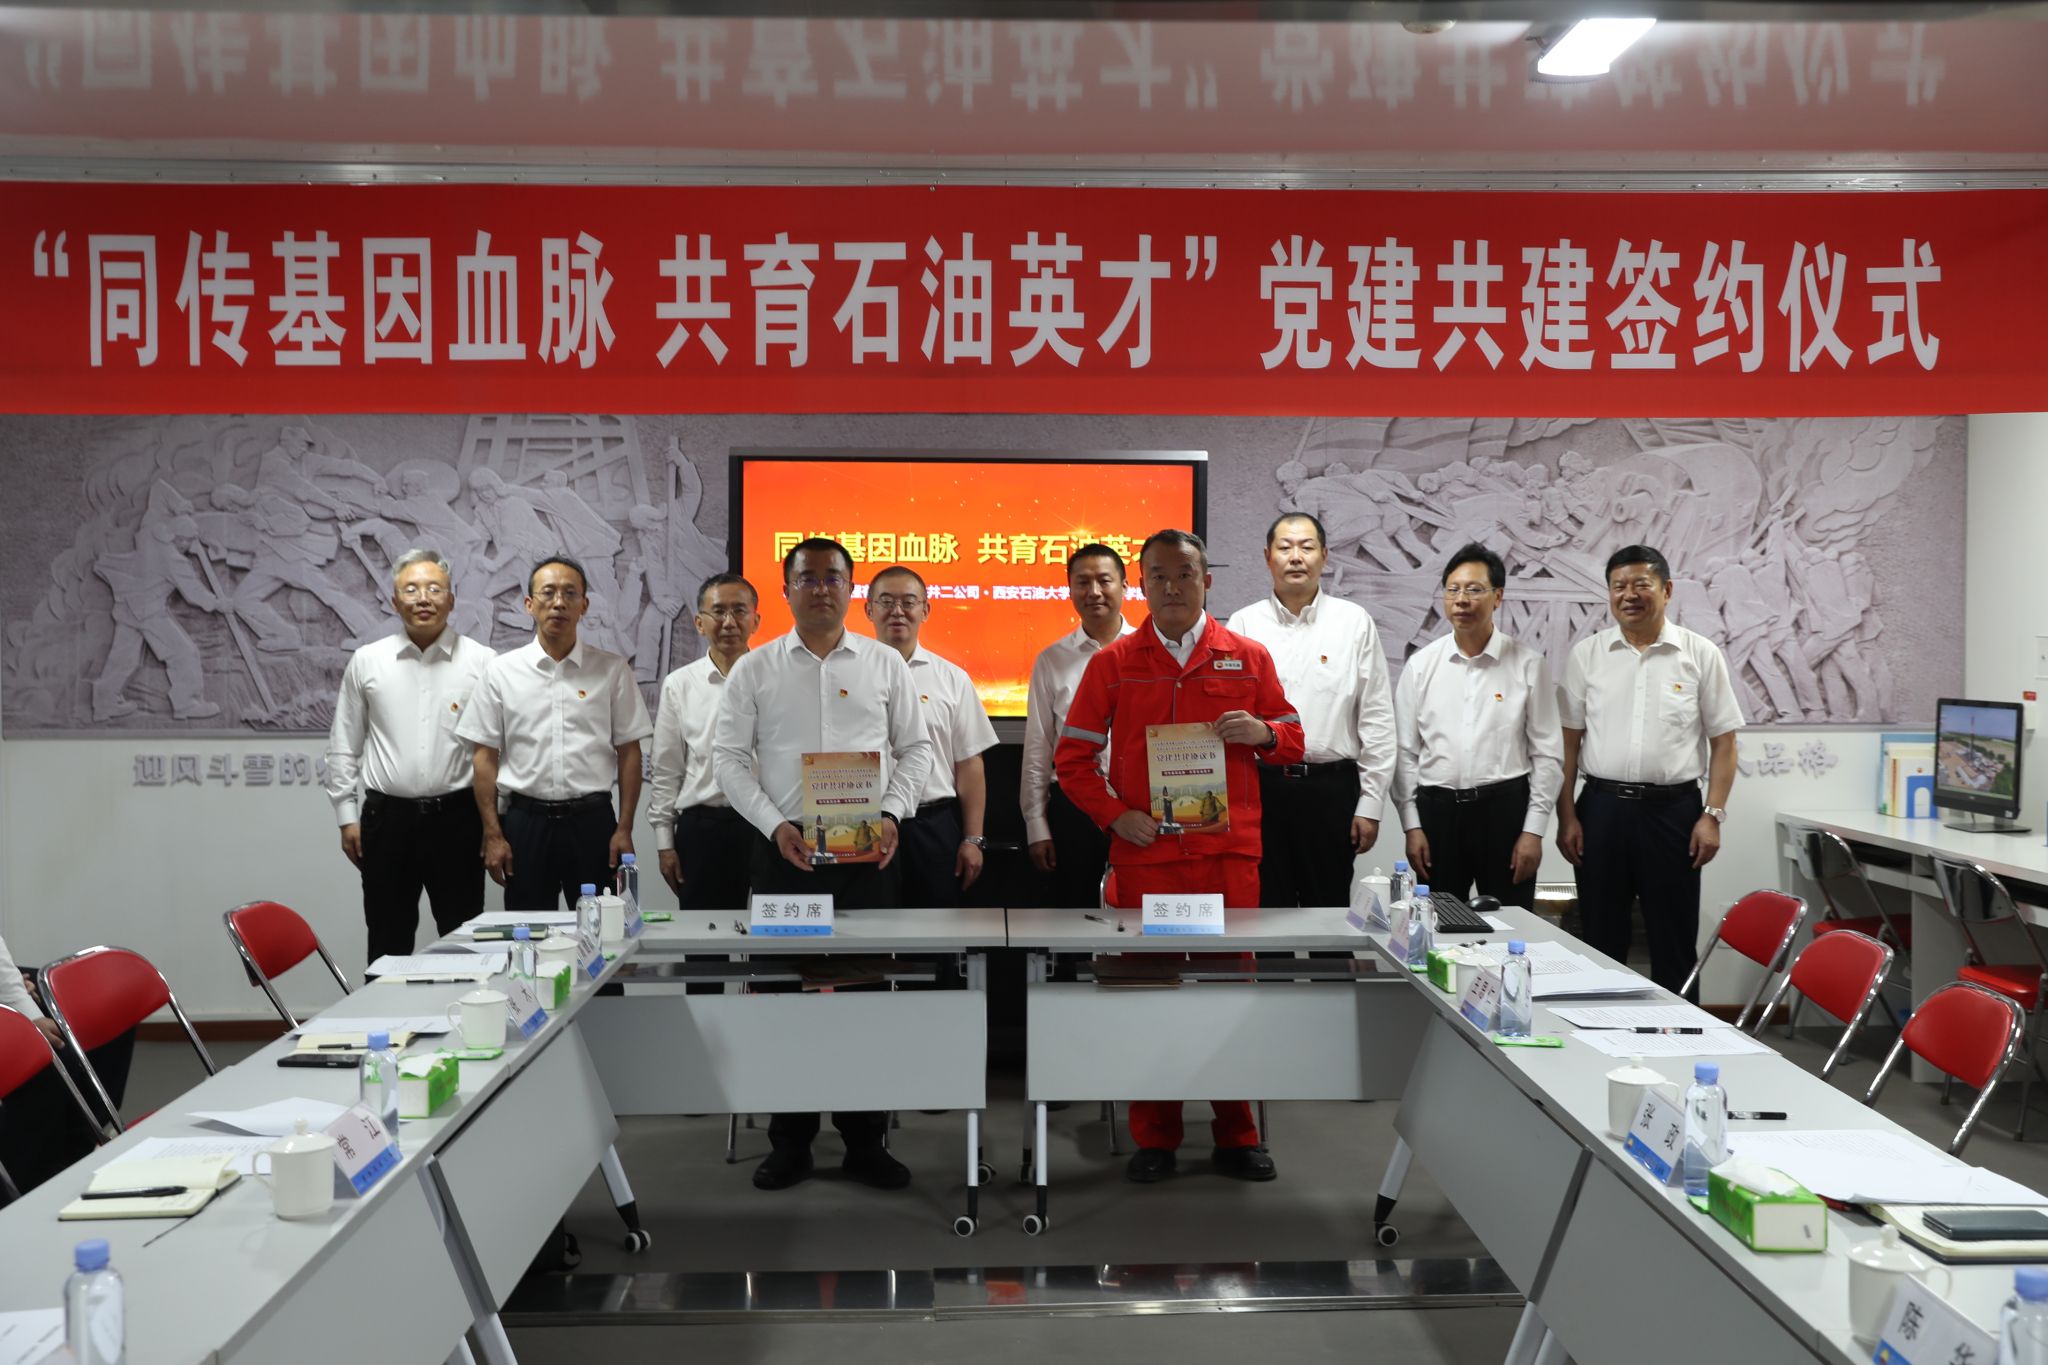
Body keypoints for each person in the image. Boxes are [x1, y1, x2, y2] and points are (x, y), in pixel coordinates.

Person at [1055, 529, 1304, 1184]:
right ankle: (1155, 1135)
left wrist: (1264, 732)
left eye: (1185, 574)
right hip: (1149, 860)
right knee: (1149, 995)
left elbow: (1294, 737)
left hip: (1226, 860)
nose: (1172, 587)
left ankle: (1237, 1134)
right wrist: (1116, 815)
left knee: (1230, 996)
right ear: (1141, 584)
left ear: (1207, 580)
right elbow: (1072, 759)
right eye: (1159, 575)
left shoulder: (1246, 656)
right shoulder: (1114, 663)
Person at [713, 537, 934, 1192]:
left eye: (833, 577)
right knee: (785, 1000)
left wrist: (892, 814)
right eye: (807, 578)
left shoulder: (884, 664)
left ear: (850, 588)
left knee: (865, 1001)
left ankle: (866, 1141)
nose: (821, 588)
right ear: (786, 590)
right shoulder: (754, 669)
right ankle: (790, 1141)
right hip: (786, 856)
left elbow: (916, 750)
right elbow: (728, 759)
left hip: (869, 858)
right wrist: (773, 824)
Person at [1556, 544, 1742, 995]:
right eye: (1619, 586)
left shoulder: (1699, 654)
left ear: (1667, 590)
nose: (1629, 595)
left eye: (1641, 584)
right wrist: (1567, 816)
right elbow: (1568, 743)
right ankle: (1601, 1027)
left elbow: (1724, 743)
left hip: (1674, 814)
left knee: (1673, 939)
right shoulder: (1588, 655)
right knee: (1600, 938)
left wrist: (1712, 815)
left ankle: (1682, 1032)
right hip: (1601, 810)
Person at [324, 549, 496, 961]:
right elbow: (344, 744)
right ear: (394, 601)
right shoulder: (368, 661)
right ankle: (384, 1007)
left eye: (434, 589)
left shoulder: (483, 663)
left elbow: (496, 752)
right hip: (387, 820)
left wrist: (495, 824)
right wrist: (346, 815)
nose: (423, 598)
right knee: (387, 942)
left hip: (459, 820)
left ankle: (465, 1005)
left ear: (451, 600)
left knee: (464, 940)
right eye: (412, 589)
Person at [458, 557, 653, 911]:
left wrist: (625, 827)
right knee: (529, 930)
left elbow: (629, 752)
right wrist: (493, 832)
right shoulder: (501, 672)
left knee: (605, 929)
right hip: (525, 823)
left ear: (584, 606)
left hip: (593, 822)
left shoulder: (612, 670)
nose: (559, 602)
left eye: (570, 594)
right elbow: (484, 757)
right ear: (529, 604)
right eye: (548, 593)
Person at [1227, 512, 1395, 908]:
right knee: (1266, 912)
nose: (1296, 557)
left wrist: (1371, 805)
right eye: (1285, 548)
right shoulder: (1243, 624)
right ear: (1268, 557)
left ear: (1325, 556)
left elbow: (1376, 718)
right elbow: (1231, 719)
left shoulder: (1353, 622)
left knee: (1330, 910)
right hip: (1263, 790)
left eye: (1306, 547)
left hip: (1331, 791)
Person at [1391, 543, 1563, 909]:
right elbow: (1405, 752)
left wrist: (1534, 831)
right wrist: (1411, 825)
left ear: (1498, 596)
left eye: (1474, 589)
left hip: (1504, 813)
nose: (1461, 600)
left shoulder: (1528, 665)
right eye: (1453, 589)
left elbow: (1547, 755)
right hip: (1437, 815)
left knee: (1511, 923)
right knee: (1438, 925)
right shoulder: (1421, 666)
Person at [864, 565, 998, 907]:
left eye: (909, 602)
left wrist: (974, 839)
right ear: (868, 609)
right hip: (864, 824)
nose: (898, 611)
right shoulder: (848, 676)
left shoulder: (951, 679)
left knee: (936, 929)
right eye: (886, 601)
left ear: (925, 610)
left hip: (932, 825)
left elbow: (970, 764)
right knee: (867, 927)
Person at [1022, 544, 1136, 908]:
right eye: (1083, 582)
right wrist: (1036, 825)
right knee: (1074, 915)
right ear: (1069, 589)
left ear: (1125, 585)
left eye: (1104, 580)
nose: (1094, 592)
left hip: (1139, 806)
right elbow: (1038, 748)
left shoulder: (1149, 653)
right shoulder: (1052, 660)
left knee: (1139, 913)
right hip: (1075, 808)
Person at [648, 573, 762, 912]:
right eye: (719, 611)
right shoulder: (680, 685)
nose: (729, 622)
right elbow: (666, 769)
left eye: (739, 611)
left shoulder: (775, 679)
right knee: (705, 933)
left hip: (767, 826)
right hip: (703, 828)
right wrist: (664, 843)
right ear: (699, 623)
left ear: (755, 621)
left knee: (774, 931)